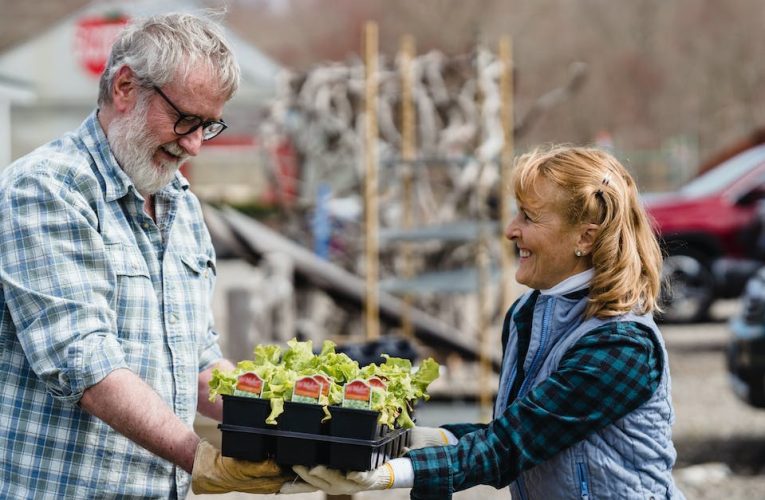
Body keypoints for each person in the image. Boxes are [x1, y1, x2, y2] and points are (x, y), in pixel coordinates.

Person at [0, 12, 297, 498]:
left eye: (209, 125)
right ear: (124, 87)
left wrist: (292, 422)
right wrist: (200, 458)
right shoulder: (47, 189)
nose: (195, 146)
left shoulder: (180, 202)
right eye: (185, 119)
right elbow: (85, 361)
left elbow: (199, 364)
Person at [286, 145, 684, 499]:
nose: (511, 229)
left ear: (585, 238)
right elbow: (515, 428)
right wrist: (419, 441)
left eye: (529, 217)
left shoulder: (623, 345)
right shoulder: (527, 314)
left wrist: (388, 474)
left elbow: (511, 447)